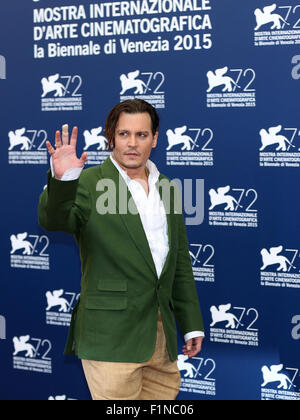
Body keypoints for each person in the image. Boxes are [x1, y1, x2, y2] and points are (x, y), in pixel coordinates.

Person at [38, 99, 204, 400]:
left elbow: (179, 261)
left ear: (155, 138)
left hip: (160, 339)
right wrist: (63, 181)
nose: (132, 143)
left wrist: (191, 324)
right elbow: (53, 220)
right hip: (110, 339)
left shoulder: (167, 186)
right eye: (124, 134)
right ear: (111, 136)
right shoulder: (88, 182)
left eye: (141, 135)